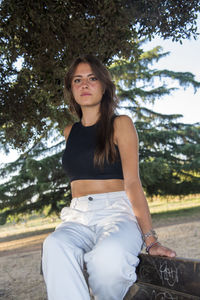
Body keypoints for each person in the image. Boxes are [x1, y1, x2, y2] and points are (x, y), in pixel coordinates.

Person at [42, 54, 176, 300]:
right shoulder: (69, 131)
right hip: (78, 216)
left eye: (92, 79)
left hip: (116, 212)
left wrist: (151, 240)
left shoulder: (120, 124)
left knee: (108, 262)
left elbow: (133, 183)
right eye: (77, 80)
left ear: (104, 86)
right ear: (71, 90)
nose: (84, 84)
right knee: (55, 246)